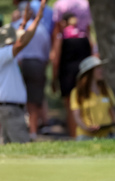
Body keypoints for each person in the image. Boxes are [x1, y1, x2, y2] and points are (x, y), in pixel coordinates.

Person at [0, 0, 46, 144]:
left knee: (10, 154)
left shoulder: (5, 54)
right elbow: (21, 42)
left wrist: (24, 22)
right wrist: (37, 19)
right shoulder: (3, 54)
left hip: (9, 108)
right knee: (23, 148)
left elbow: (18, 39)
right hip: (10, 109)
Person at [51, 0, 93, 137]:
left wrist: (53, 77)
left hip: (67, 71)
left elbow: (56, 58)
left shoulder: (59, 5)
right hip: (84, 68)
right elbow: (89, 33)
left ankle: (74, 136)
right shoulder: (86, 4)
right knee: (85, 101)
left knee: (70, 106)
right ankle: (88, 133)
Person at [11, 5, 51, 141]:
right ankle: (32, 132)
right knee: (33, 100)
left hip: (17, 65)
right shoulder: (42, 29)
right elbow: (47, 52)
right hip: (36, 65)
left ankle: (18, 132)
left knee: (16, 100)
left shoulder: (14, 26)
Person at [70, 56, 115, 141]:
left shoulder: (106, 90)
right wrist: (87, 128)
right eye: (98, 68)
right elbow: (77, 116)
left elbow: (111, 110)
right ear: (89, 72)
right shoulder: (77, 93)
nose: (101, 70)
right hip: (86, 135)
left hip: (107, 133)